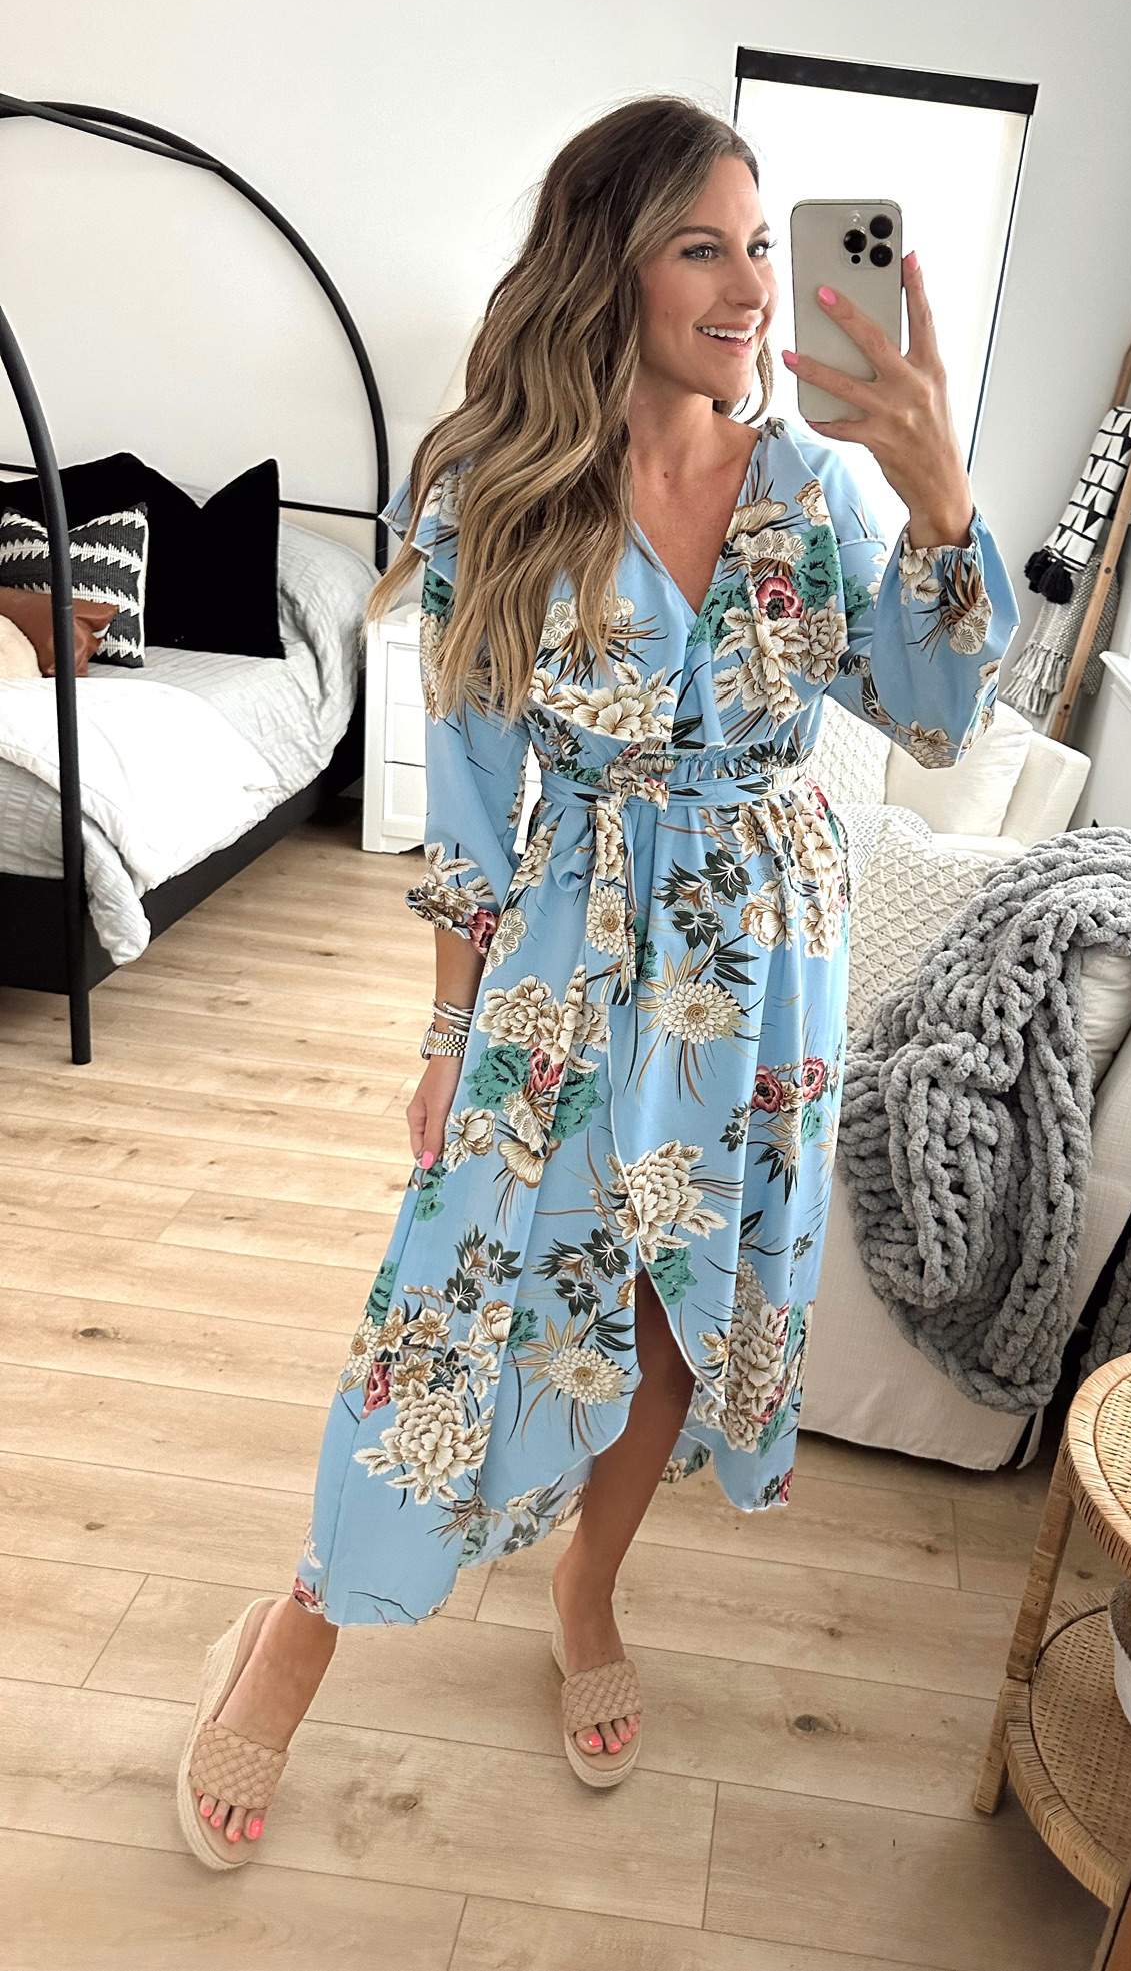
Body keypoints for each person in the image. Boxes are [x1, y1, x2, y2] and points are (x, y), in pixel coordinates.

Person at [176, 93, 1018, 1865]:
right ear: (611, 266)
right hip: (570, 948)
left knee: (660, 1310)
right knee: (453, 1304)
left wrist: (940, 487)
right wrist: (444, 1032)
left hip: (765, 962)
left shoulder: (815, 491)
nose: (752, 286)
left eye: (763, 245)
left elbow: (936, 720)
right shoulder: (500, 494)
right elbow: (471, 805)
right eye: (702, 246)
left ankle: (588, 1584)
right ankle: (297, 1626)